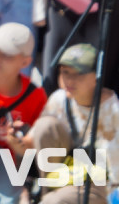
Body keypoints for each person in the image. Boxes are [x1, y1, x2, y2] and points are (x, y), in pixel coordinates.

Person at [28, 44, 119, 203]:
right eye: (65, 72)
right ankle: (48, 195)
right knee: (45, 126)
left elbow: (114, 172)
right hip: (64, 174)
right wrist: (15, 139)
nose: (70, 80)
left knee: (58, 200)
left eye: (79, 74)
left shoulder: (113, 110)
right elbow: (31, 142)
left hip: (98, 184)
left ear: (95, 77)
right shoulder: (58, 98)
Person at [0, 23, 47, 204]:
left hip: (0, 156)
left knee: (10, 199)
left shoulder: (36, 95)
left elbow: (32, 149)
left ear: (26, 62)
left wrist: (17, 143)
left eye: (8, 54)